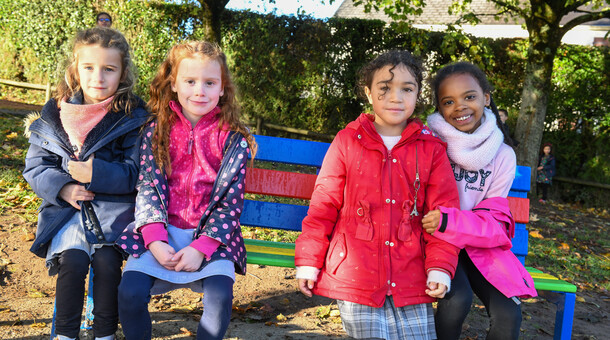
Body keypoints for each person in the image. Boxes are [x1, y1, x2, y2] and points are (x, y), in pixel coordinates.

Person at [295, 50, 461, 340]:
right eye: (384, 88)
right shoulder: (348, 141)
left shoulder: (431, 149)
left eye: (406, 89)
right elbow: (324, 205)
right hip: (356, 272)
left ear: (418, 94)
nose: (396, 98)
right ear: (368, 93)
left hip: (413, 274)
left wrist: (439, 267)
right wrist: (309, 261)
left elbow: (443, 216)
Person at [115, 41, 255, 340]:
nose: (199, 90)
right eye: (190, 81)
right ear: (174, 84)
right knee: (129, 294)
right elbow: (149, 186)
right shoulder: (156, 130)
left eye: (209, 82)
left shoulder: (233, 140)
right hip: (159, 231)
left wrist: (201, 247)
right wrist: (153, 239)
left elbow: (230, 204)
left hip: (213, 236)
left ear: (222, 88)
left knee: (220, 297)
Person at [22, 27, 149, 340]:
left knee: (106, 263)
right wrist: (63, 188)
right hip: (67, 215)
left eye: (109, 69)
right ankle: (65, 334)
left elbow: (135, 173)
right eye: (89, 67)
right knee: (74, 262)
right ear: (75, 70)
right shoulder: (55, 117)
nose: (98, 78)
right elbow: (37, 167)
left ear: (123, 73)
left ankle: (104, 333)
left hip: (114, 215)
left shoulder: (131, 118)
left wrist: (96, 172)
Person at [424, 61, 537, 340]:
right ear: (439, 108)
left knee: (509, 313)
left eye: (469, 97)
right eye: (448, 101)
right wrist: (444, 225)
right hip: (436, 241)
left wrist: (453, 221)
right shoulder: (427, 143)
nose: (460, 106)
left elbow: (494, 219)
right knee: (456, 302)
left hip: (479, 244)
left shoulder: (503, 155)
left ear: (486, 98)